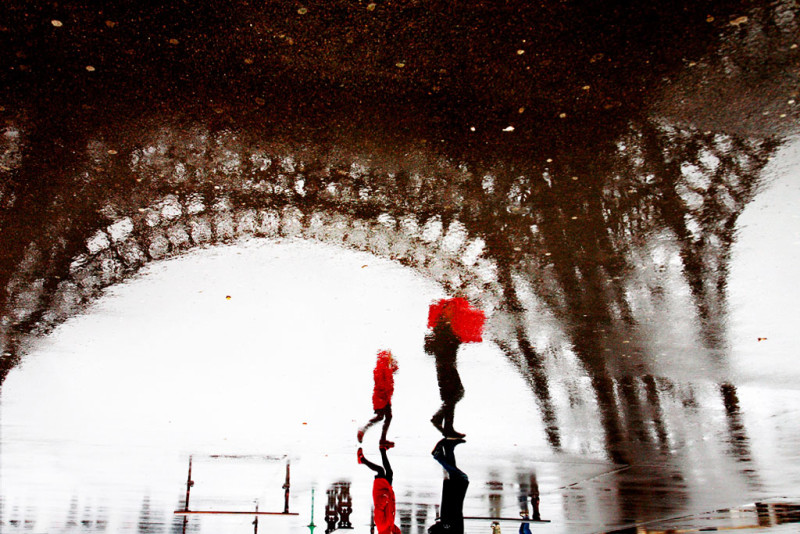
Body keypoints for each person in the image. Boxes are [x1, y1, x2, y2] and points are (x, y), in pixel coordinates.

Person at [425, 316, 466, 439]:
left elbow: (429, 350)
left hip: (445, 368)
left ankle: (439, 419)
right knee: (453, 395)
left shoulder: (436, 334)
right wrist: (456, 338)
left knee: (454, 395)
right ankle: (446, 426)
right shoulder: (445, 333)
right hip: (446, 368)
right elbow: (450, 346)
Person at [358, 350, 398, 448]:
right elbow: (380, 383)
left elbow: (395, 370)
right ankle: (363, 429)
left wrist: (394, 364)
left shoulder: (386, 367)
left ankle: (382, 440)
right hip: (380, 397)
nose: (390, 358)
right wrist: (386, 391)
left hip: (385, 397)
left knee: (388, 417)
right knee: (381, 417)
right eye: (389, 357)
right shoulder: (380, 368)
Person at [428, 438, 469, 534]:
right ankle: (448, 448)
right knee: (457, 477)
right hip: (455, 511)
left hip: (450, 510)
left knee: (462, 478)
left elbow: (431, 531)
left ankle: (438, 455)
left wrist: (444, 526)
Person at [357, 447, 401, 534]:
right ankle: (382, 450)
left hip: (381, 492)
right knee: (389, 472)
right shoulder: (389, 528)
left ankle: (362, 460)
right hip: (387, 492)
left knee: (380, 470)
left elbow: (378, 509)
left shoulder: (382, 526)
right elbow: (396, 529)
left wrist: (385, 498)